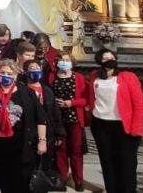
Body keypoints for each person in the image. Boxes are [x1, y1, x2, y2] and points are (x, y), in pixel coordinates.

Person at [0, 59, 48, 193]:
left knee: (23, 181)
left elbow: (40, 118)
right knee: (5, 182)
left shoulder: (27, 93)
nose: (5, 76)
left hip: (23, 145)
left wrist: (42, 140)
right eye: (2, 72)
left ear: (16, 75)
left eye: (9, 73)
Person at [88, 48, 143, 193]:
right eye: (105, 58)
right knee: (108, 163)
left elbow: (139, 104)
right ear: (100, 61)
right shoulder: (95, 76)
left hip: (123, 127)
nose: (109, 59)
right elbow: (92, 97)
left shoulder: (128, 76)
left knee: (126, 165)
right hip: (101, 125)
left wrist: (136, 129)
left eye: (111, 57)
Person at [49, 51, 88, 191]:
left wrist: (70, 103)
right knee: (60, 150)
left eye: (67, 59)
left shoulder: (79, 77)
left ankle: (78, 180)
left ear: (71, 63)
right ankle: (62, 179)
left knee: (76, 150)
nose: (64, 62)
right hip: (58, 119)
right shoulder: (51, 76)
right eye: (61, 59)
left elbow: (85, 100)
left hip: (74, 118)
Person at [22, 59, 64, 179]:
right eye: (31, 68)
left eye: (37, 68)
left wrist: (58, 133)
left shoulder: (47, 90)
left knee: (45, 163)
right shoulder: (22, 90)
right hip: (29, 131)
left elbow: (55, 113)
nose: (35, 70)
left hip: (48, 132)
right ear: (25, 72)